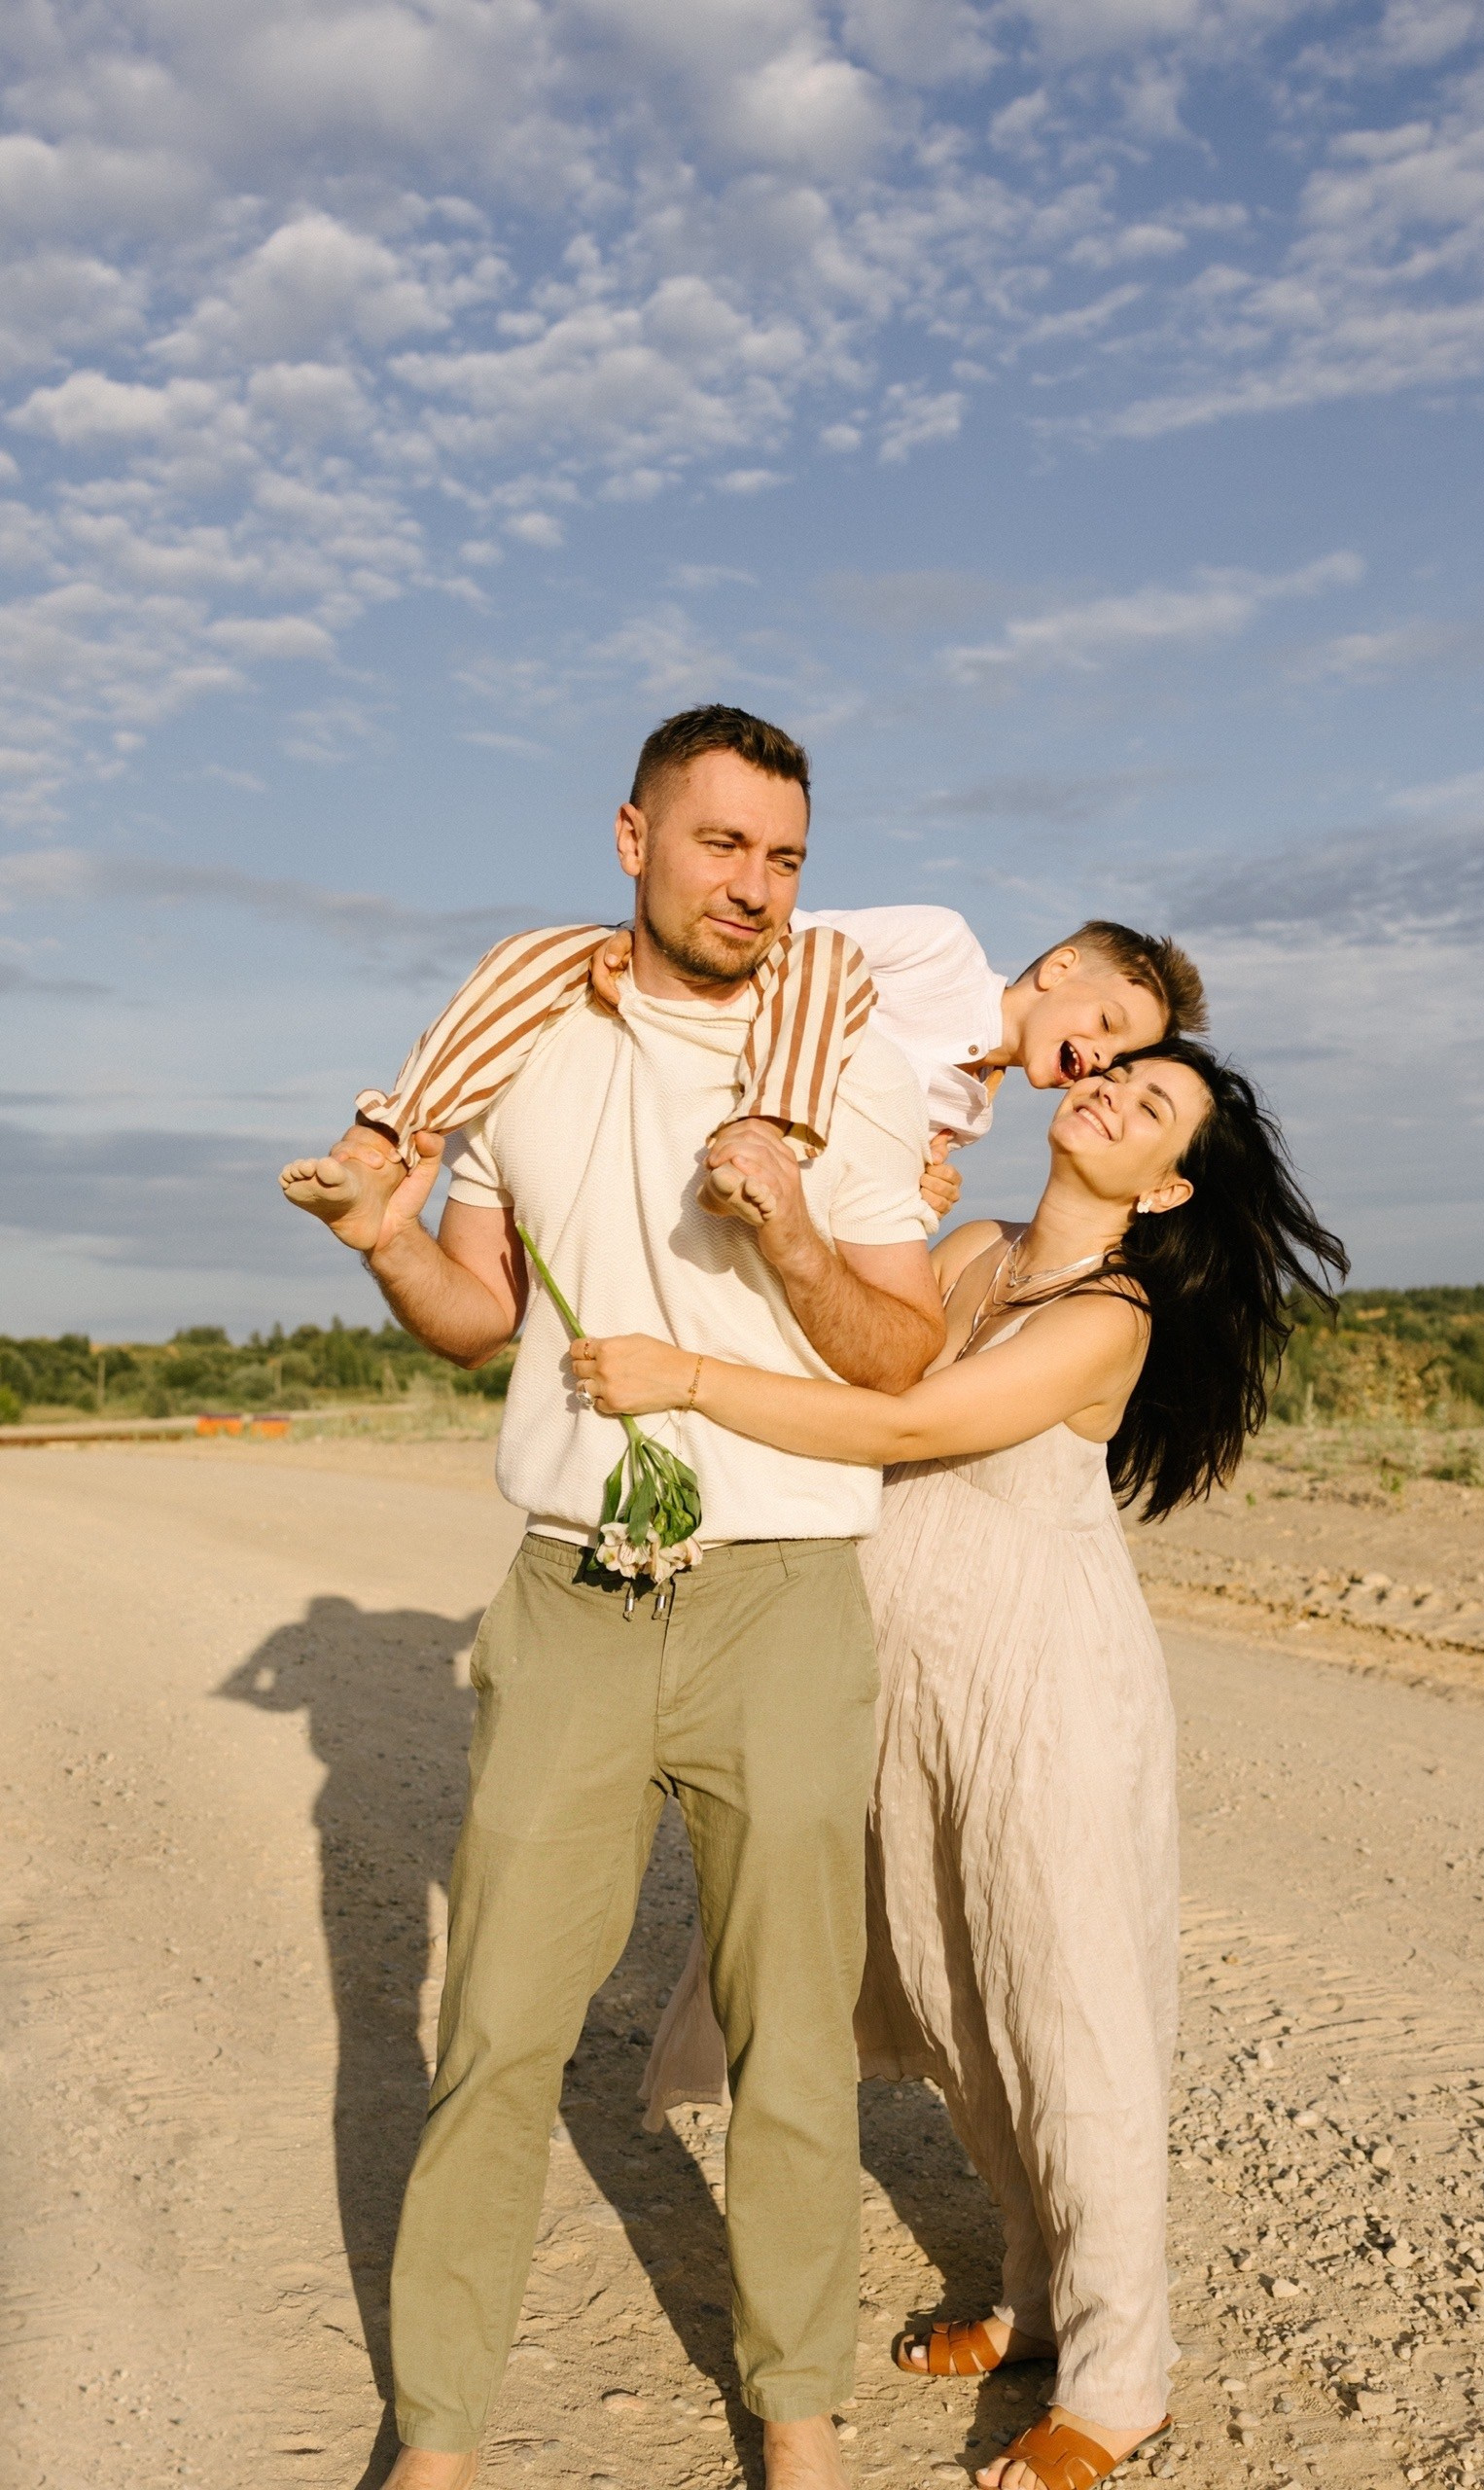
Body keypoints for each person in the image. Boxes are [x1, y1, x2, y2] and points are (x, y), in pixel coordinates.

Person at [301, 704, 950, 2490]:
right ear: (633, 838)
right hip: (571, 1589)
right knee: (497, 2026)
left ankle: (798, 2413)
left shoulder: (848, 1064)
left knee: (792, 2038)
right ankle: (437, 2433)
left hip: (784, 1594)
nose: (755, 885)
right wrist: (380, 1235)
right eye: (723, 843)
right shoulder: (520, 1044)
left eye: (786, 858)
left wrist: (797, 1227)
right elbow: (477, 1318)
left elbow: (901, 1355)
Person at [571, 1044, 1348, 2490]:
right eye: (1113, 1075)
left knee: (1070, 2014)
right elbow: (865, 1350)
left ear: (1165, 1182)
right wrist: (825, 1230)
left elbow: (909, 1423)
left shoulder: (1107, 1312)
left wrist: (684, 1379)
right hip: (910, 1684)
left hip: (1039, 1687)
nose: (1111, 1093)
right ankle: (1040, 2297)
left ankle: (1124, 2380)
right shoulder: (977, 1245)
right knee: (951, 1992)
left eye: (1152, 1107)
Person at [278, 897, 1205, 1242]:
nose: (1101, 1058)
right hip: (736, 1009)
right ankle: (386, 1136)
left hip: (763, 1136)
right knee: (542, 949)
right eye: (1108, 1024)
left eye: (1121, 1059)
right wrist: (636, 949)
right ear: (1059, 971)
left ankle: (755, 1166)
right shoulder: (943, 945)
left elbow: (870, 1198)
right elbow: (792, 941)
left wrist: (923, 1200)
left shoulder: (970, 1112)